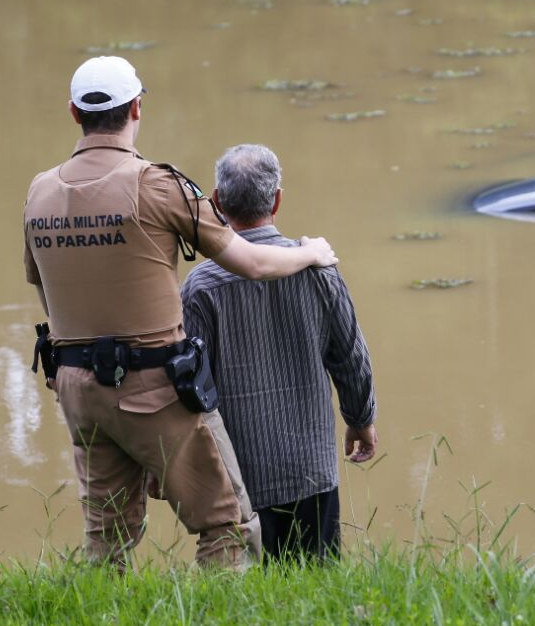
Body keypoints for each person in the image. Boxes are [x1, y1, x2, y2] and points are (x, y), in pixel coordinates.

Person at [23, 56, 338, 570]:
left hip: (77, 389)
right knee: (229, 526)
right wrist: (310, 253)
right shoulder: (157, 185)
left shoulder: (39, 192)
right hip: (154, 390)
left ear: (74, 115)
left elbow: (44, 289)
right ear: (137, 109)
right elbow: (251, 262)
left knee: (107, 538)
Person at [181, 143, 377, 562]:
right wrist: (361, 420)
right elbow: (350, 356)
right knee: (318, 589)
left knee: (253, 596)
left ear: (216, 202)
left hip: (240, 474)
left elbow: (192, 386)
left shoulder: (200, 287)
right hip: (312, 467)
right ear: (278, 200)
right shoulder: (318, 265)